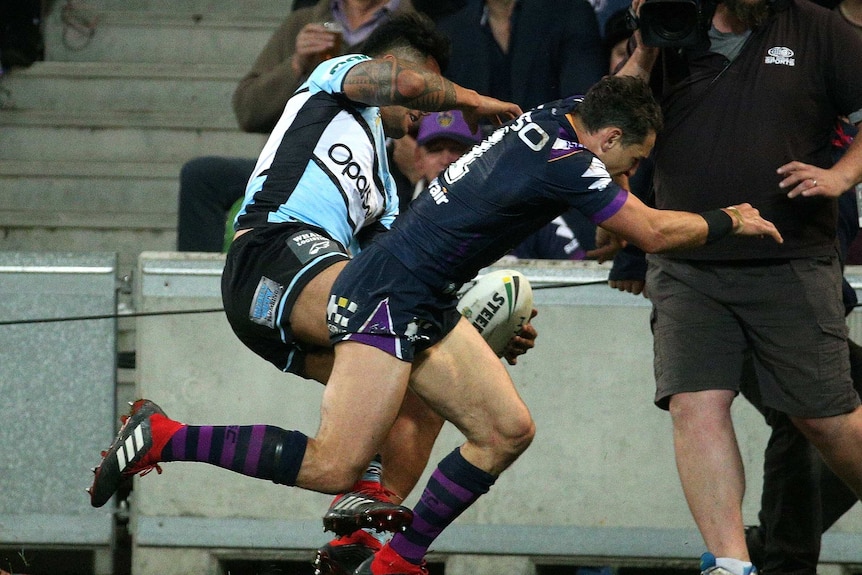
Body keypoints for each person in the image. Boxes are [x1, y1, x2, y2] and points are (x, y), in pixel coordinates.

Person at [89, 12, 526, 574]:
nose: (427, 111)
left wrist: (483, 334)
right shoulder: (334, 82)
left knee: (381, 427)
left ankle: (169, 439)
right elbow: (412, 87)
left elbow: (399, 274)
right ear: (389, 68)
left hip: (308, 299)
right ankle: (376, 518)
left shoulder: (382, 190)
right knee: (399, 312)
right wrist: (471, 100)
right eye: (426, 88)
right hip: (273, 252)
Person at [321, 74, 780, 575]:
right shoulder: (569, 163)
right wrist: (730, 219)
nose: (636, 168)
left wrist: (613, 197)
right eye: (636, 157)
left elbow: (617, 102)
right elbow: (652, 231)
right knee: (335, 458)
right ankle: (374, 551)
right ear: (608, 140)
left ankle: (379, 554)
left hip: (420, 288)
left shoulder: (566, 111)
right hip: (395, 293)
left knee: (503, 430)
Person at [616, 1, 862, 574]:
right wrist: (648, 38)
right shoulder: (673, 27)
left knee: (824, 417)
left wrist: (842, 175)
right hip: (687, 257)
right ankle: (730, 564)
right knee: (695, 404)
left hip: (789, 258)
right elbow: (605, 118)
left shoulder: (818, 29)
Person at [177, 0, 423, 252]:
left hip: (367, 171)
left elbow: (434, 114)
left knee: (397, 210)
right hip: (296, 161)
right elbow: (248, 111)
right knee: (202, 176)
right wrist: (296, 64)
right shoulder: (304, 21)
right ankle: (193, 285)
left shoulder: (415, 28)